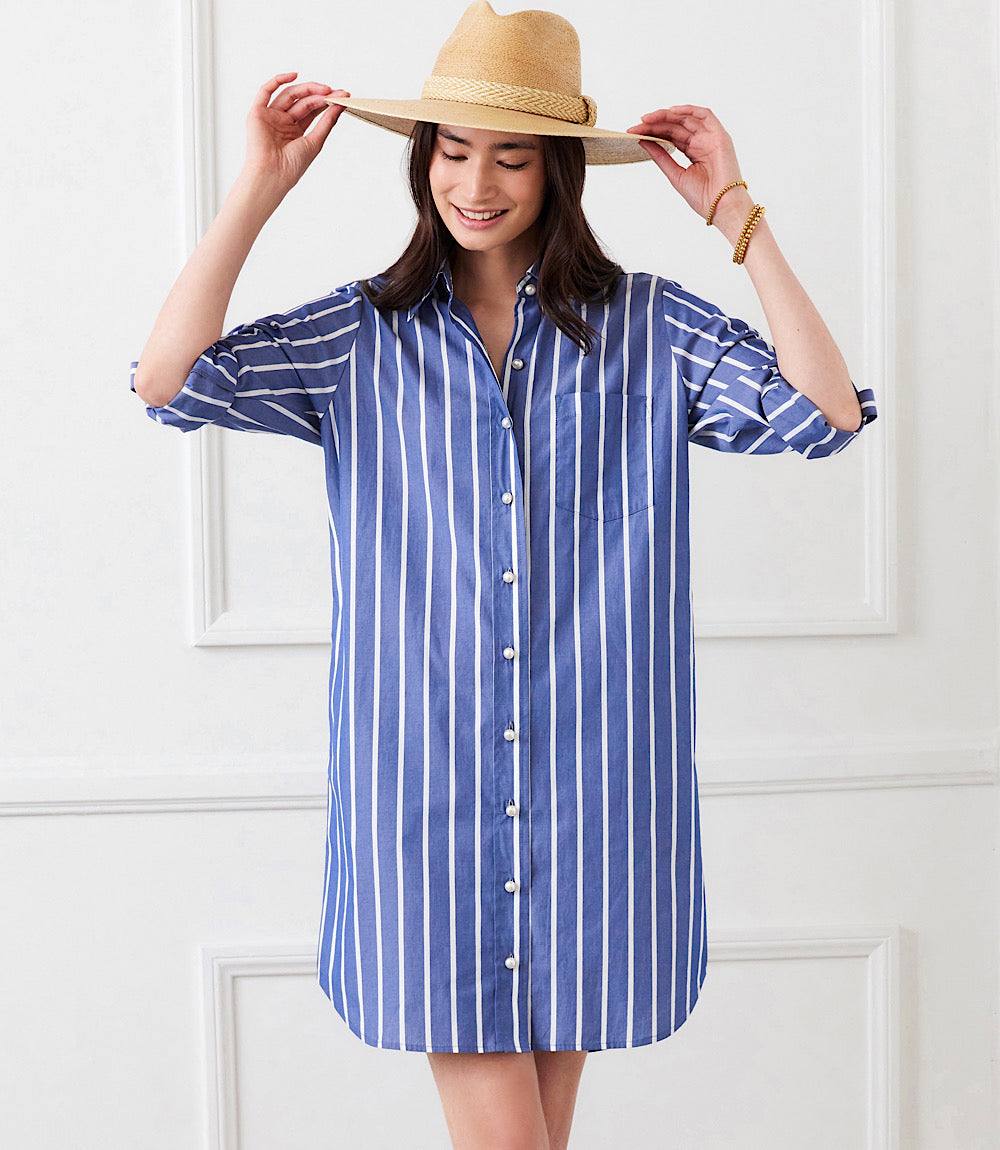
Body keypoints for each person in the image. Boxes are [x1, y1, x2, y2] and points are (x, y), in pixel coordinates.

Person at [129, 4, 878, 1147]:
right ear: (422, 159)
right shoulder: (358, 335)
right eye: (452, 149)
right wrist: (256, 193)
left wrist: (737, 213)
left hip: (599, 799)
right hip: (424, 797)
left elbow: (822, 414)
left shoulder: (653, 329)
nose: (474, 181)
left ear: (560, 172)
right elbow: (170, 381)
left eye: (511, 156)